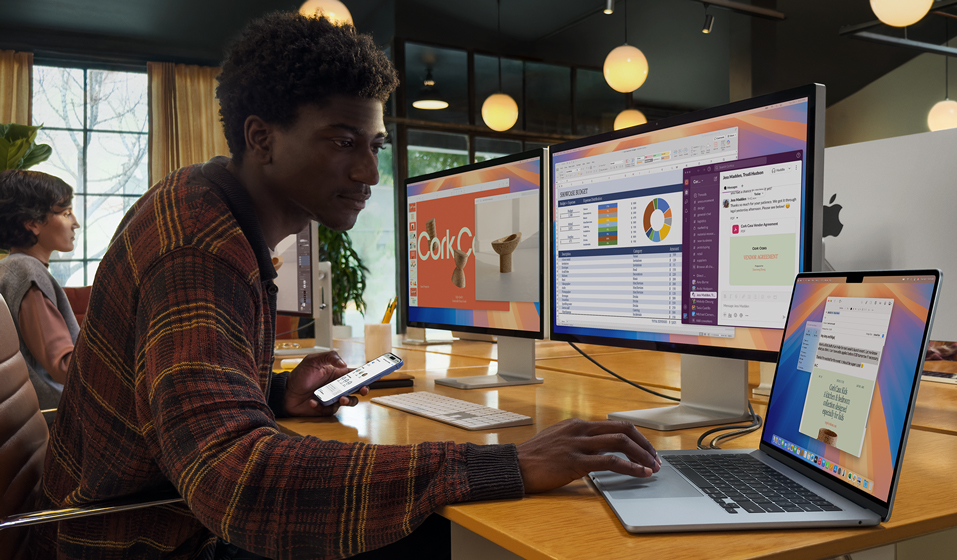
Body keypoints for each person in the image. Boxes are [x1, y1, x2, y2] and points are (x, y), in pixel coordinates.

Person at [32, 11, 661, 559]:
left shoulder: (203, 203)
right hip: (143, 539)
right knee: (485, 537)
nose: (368, 172)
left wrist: (276, 393)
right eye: (342, 142)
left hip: (154, 512)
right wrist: (507, 462)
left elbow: (177, 403)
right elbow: (232, 480)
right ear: (262, 138)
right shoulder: (201, 246)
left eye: (376, 145)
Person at [0, 169, 80, 411]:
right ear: (32, 223)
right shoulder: (26, 272)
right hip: (57, 417)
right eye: (66, 213)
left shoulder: (13, 267)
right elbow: (65, 367)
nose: (75, 223)